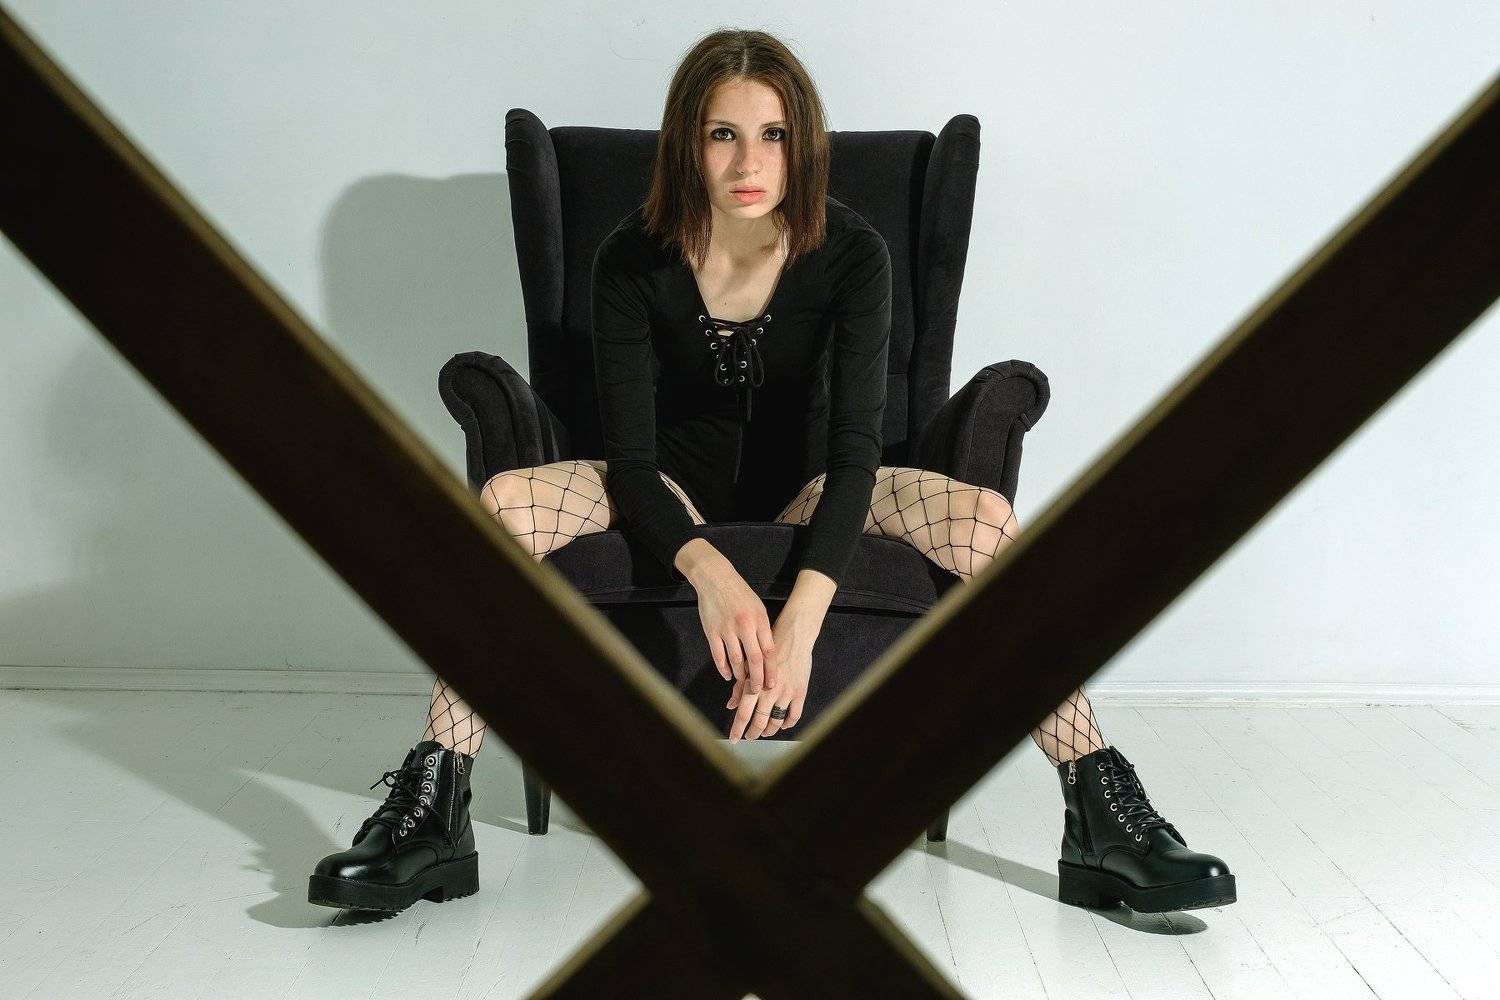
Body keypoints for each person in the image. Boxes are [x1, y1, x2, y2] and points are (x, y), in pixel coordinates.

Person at [309, 27, 1236, 917]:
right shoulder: (630, 258)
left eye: (774, 135)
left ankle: (1100, 810)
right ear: (688, 143)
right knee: (504, 504)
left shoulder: (852, 253)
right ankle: (435, 807)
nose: (748, 163)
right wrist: (711, 574)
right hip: (666, 493)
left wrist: (799, 622)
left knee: (986, 524)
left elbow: (856, 453)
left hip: (816, 491)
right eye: (723, 134)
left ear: (803, 144)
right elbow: (631, 463)